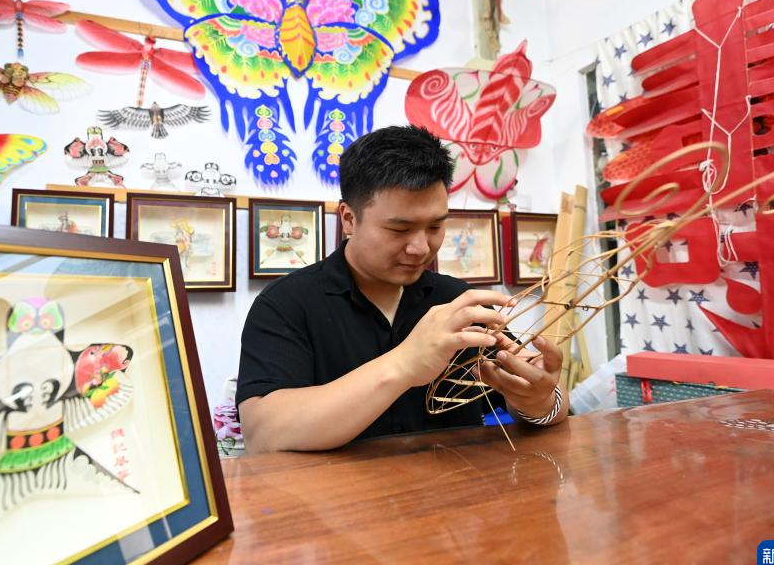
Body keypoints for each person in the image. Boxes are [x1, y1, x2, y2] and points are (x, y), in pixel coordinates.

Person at [237, 125, 566, 453]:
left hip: (459, 483)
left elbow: (550, 406)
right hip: (335, 489)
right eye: (399, 229)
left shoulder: (457, 302)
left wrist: (539, 400)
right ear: (349, 218)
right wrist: (404, 364)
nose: (421, 248)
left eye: (435, 226)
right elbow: (263, 435)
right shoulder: (286, 303)